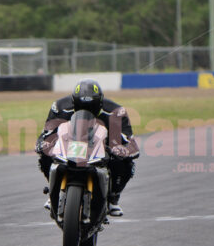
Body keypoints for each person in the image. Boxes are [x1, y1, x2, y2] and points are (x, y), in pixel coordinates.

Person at [35, 79, 139, 216]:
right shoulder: (60, 107)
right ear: (74, 102)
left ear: (100, 102)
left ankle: (113, 197)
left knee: (126, 163)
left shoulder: (116, 112)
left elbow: (129, 140)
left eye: (91, 106)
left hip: (103, 149)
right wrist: (45, 144)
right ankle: (54, 190)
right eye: (81, 106)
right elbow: (48, 133)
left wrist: (121, 149)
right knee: (45, 156)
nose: (86, 110)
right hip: (70, 146)